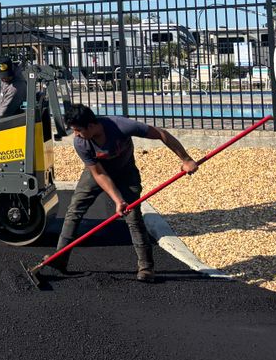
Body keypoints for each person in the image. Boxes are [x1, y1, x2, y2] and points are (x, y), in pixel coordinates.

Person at [49, 103, 198, 283]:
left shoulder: (121, 126)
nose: (76, 134)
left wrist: (186, 159)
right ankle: (59, 259)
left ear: (91, 125)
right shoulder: (81, 142)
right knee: (74, 210)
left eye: (78, 130)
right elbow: (99, 174)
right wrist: (118, 200)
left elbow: (161, 134)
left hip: (126, 172)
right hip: (98, 173)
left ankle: (146, 267)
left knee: (133, 217)